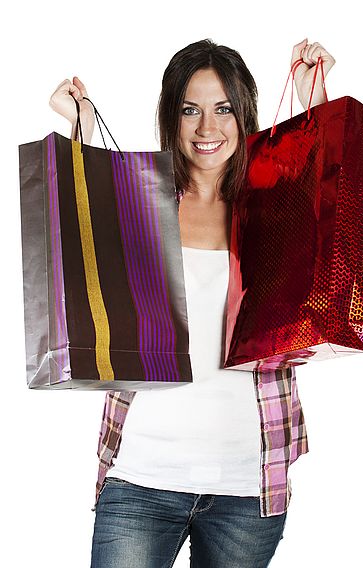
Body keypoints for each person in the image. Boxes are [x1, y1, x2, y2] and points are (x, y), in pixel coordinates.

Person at [49, 38, 335, 568]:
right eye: (191, 109)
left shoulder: (273, 212)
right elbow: (80, 246)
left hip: (248, 487)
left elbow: (331, 224)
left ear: (244, 113)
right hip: (140, 477)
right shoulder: (139, 202)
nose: (208, 128)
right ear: (170, 116)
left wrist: (313, 102)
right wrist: (83, 126)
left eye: (223, 108)